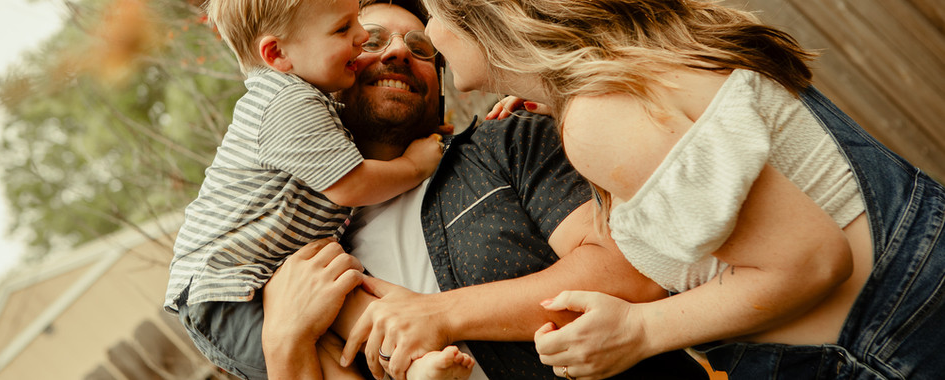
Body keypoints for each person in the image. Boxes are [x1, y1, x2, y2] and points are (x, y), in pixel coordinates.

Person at [172, 0, 710, 379]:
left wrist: (438, 315)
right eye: (365, 40)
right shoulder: (296, 247)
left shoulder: (506, 143)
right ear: (318, 82)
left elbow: (628, 278)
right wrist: (284, 343)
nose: (395, 53)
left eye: (422, 46)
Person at [418, 0, 945, 379]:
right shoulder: (640, 55)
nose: (431, 31)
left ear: (477, 14)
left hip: (887, 344)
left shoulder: (600, 115)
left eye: (433, 13)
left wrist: (640, 330)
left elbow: (810, 261)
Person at [162, 0, 469, 378]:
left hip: (256, 276)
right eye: (344, 30)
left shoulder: (304, 103)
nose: (359, 37)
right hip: (228, 285)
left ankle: (413, 363)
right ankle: (415, 365)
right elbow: (351, 185)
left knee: (334, 321)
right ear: (278, 54)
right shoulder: (286, 101)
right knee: (325, 354)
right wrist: (414, 165)